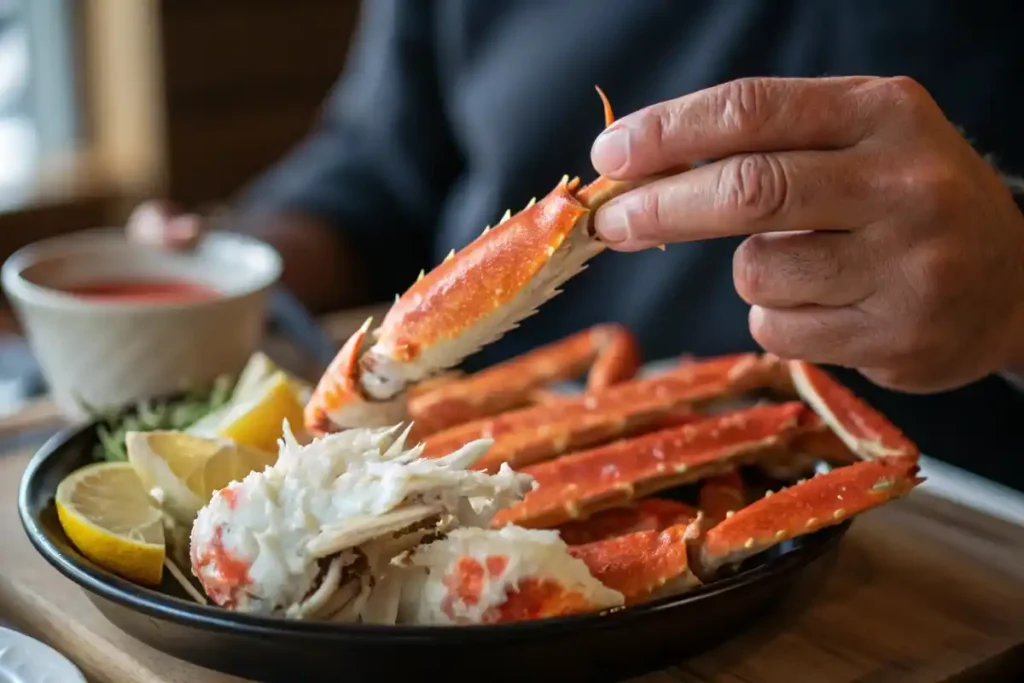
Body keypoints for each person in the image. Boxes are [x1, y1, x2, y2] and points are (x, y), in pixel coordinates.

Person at [128, 1, 1024, 490]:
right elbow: (380, 168)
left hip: (947, 529)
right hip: (494, 457)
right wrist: (232, 258)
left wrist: (1015, 295)